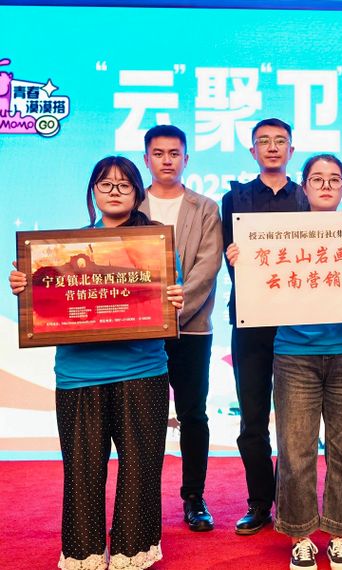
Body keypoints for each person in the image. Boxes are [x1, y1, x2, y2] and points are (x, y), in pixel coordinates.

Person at [9, 156, 184, 569]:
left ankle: (132, 552)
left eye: (124, 185)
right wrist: (27, 287)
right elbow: (48, 306)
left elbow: (167, 304)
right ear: (93, 192)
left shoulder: (156, 248)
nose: (115, 192)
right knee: (82, 470)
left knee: (141, 467)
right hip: (79, 375)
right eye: (106, 184)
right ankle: (83, 553)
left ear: (138, 193)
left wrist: (176, 298)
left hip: (142, 371)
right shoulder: (63, 250)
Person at [230, 154, 342, 570]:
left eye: (334, 179)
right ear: (304, 187)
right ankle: (301, 535)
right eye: (317, 179)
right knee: (295, 451)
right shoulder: (279, 235)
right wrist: (242, 260)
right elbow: (260, 288)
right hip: (294, 353)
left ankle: (341, 533)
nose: (326, 186)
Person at [221, 118, 309, 535]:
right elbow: (230, 256)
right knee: (253, 418)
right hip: (250, 320)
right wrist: (235, 257)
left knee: (296, 422)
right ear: (252, 150)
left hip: (297, 321)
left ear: (291, 150)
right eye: (264, 141)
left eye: (280, 141)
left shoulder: (307, 197)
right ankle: (259, 502)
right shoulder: (234, 198)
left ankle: (293, 503)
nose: (272, 147)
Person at [139, 124, 222, 532]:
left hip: (191, 329)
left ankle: (194, 497)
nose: (167, 160)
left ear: (186, 159)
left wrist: (172, 313)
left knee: (193, 414)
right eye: (159, 153)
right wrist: (147, 317)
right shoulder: (131, 204)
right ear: (146, 159)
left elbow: (208, 267)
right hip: (138, 333)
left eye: (174, 153)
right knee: (143, 419)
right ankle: (141, 501)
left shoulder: (205, 208)